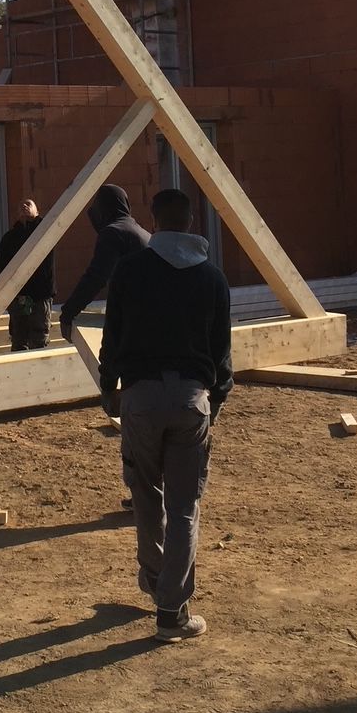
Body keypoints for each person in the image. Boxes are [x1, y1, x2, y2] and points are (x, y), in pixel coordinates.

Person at [98, 187, 232, 643]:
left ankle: (155, 579)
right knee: (183, 506)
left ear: (152, 220)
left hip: (139, 397)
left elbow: (112, 336)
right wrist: (216, 402)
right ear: (191, 222)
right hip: (190, 399)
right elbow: (221, 353)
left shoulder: (130, 271)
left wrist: (108, 388)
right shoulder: (211, 278)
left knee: (144, 491)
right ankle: (171, 611)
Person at [57, 184, 149, 341]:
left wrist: (68, 313)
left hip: (134, 319)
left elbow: (97, 277)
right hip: (148, 314)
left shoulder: (113, 233)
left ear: (103, 210)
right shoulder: (141, 232)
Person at [0, 199, 57, 350]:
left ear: (37, 211)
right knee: (19, 339)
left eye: (29, 204)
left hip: (40, 296)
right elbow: (0, 266)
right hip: (18, 297)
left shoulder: (45, 232)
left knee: (39, 338)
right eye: (21, 205)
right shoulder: (9, 238)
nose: (24, 206)